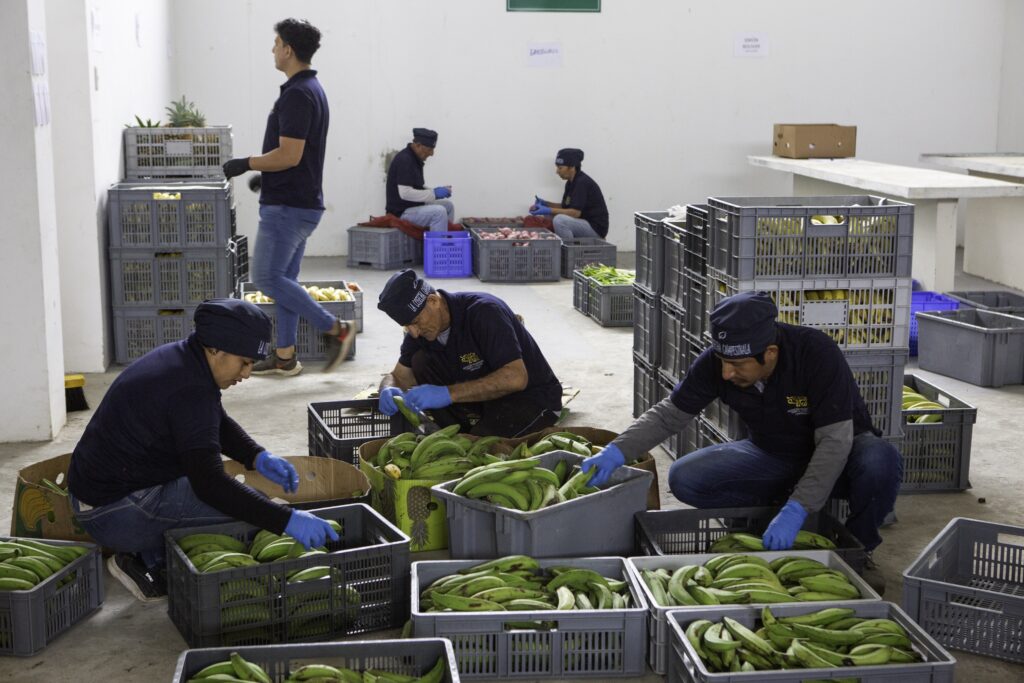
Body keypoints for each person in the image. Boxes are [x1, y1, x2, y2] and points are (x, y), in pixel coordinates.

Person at [582, 291, 901, 585]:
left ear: (770, 353)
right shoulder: (716, 364)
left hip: (841, 454)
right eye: (723, 362)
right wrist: (617, 451)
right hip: (772, 453)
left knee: (879, 461)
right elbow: (670, 415)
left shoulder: (816, 353)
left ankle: (857, 549)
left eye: (736, 364)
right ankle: (762, 519)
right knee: (685, 478)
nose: (726, 373)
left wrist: (799, 507)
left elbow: (834, 441)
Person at [67, 299, 339, 602]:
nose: (247, 374)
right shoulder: (189, 389)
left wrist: (255, 455)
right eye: (244, 363)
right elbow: (209, 483)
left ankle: (151, 550)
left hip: (100, 494)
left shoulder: (184, 359)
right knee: (251, 519)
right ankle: (146, 563)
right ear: (215, 350)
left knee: (251, 503)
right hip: (115, 513)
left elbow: (213, 420)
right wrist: (287, 520)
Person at [221, 18, 354, 376]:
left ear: (289, 50)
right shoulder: (311, 88)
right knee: (284, 282)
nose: (273, 49)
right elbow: (297, 156)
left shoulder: (297, 94)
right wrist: (267, 177)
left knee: (266, 277)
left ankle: (337, 330)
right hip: (298, 200)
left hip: (289, 208)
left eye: (276, 43)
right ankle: (285, 357)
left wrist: (247, 163)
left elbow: (290, 155)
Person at [375, 269, 562, 437]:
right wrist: (387, 388)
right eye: (407, 326)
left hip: (531, 399)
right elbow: (399, 376)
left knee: (480, 451)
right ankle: (457, 431)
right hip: (485, 403)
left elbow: (516, 378)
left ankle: (475, 434)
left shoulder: (485, 312)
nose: (414, 332)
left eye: (415, 322)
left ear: (433, 301)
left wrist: (448, 393)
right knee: (420, 360)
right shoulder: (418, 332)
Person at [530, 148, 609, 241]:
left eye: (560, 168)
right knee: (549, 216)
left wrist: (549, 210)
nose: (557, 171)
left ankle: (569, 249)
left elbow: (575, 213)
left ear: (572, 167)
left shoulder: (582, 182)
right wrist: (545, 204)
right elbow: (565, 207)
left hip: (595, 229)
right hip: (583, 222)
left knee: (559, 220)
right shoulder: (570, 183)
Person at [385, 128, 454, 232]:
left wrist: (434, 190)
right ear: (418, 145)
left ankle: (447, 238)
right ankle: (438, 242)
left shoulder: (415, 159)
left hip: (412, 207)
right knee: (439, 212)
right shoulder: (405, 159)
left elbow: (416, 187)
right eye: (429, 149)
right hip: (400, 213)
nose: (432, 154)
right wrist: (434, 194)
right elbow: (405, 193)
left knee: (448, 206)